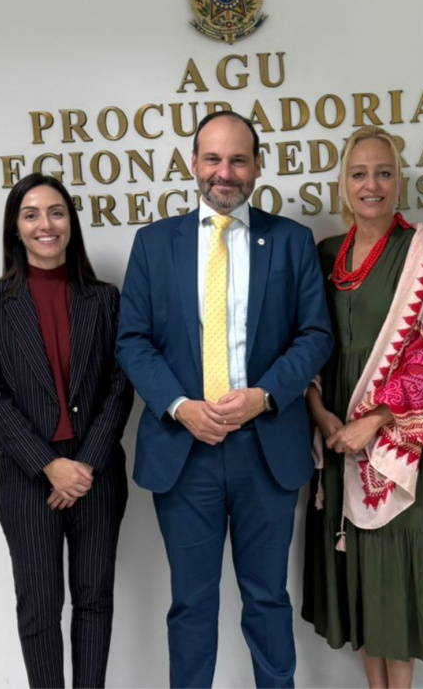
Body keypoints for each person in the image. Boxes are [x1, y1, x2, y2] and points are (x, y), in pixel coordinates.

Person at [115, 111, 332, 688]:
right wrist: (180, 406)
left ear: (258, 165)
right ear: (193, 164)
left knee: (268, 599)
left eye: (238, 159)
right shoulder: (154, 244)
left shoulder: (291, 241)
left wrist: (265, 396)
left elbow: (315, 335)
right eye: (213, 158)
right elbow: (132, 341)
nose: (225, 172)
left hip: (266, 448)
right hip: (185, 451)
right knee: (191, 602)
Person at [300, 126, 423, 689]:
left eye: (383, 173)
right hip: (337, 444)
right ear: (344, 184)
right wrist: (321, 414)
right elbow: (308, 347)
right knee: (361, 591)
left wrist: (373, 422)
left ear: (399, 182)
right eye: (359, 173)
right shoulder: (325, 256)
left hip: (399, 449)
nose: (371, 184)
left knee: (396, 590)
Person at [0, 173, 134, 688]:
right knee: (39, 608)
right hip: (28, 476)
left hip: (96, 473)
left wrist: (84, 464)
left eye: (56, 212)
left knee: (94, 600)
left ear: (71, 223)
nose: (46, 224)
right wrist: (49, 465)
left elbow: (120, 386)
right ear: (15, 228)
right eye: (32, 214)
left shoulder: (105, 299)